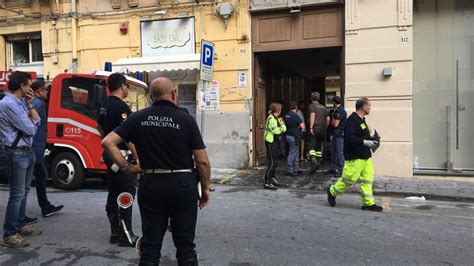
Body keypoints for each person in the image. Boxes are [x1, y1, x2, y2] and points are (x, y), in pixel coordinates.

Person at [101, 77, 211, 265]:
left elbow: (107, 142)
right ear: (174, 94)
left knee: (150, 246)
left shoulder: (138, 117)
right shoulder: (185, 119)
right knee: (186, 247)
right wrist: (206, 189)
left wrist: (127, 168)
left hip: (151, 183)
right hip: (182, 185)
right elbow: (202, 162)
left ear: (151, 96)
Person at [0, 71, 42, 248]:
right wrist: (31, 120)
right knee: (17, 194)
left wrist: (30, 104)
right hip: (16, 152)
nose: (30, 88)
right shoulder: (9, 104)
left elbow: (37, 122)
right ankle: (9, 234)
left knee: (23, 191)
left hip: (26, 150)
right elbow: (31, 129)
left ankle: (19, 225)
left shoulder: (21, 102)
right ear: (22, 86)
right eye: (29, 85)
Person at [97, 73, 139, 247]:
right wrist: (137, 155)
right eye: (127, 85)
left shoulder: (105, 104)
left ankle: (115, 232)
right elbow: (128, 137)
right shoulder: (121, 108)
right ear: (122, 86)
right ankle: (126, 236)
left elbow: (99, 126)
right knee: (127, 192)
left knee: (114, 191)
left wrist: (108, 143)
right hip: (121, 154)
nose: (127, 88)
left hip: (109, 154)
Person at [327, 97, 383, 212]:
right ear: (363, 107)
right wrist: (365, 142)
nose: (370, 108)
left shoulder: (362, 120)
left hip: (365, 156)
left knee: (368, 179)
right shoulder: (352, 120)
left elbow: (361, 136)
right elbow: (349, 138)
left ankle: (368, 203)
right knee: (349, 179)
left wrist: (372, 139)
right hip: (355, 156)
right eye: (369, 105)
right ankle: (332, 191)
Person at [29, 79, 64, 217]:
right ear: (38, 91)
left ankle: (45, 206)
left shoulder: (37, 103)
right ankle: (43, 207)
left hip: (35, 146)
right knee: (28, 183)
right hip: (34, 147)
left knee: (40, 176)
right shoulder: (38, 104)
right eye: (45, 89)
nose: (48, 92)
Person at [263, 102, 286, 190]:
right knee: (272, 162)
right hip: (270, 141)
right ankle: (267, 181)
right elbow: (276, 131)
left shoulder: (278, 118)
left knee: (275, 161)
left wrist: (281, 128)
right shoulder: (271, 118)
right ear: (277, 110)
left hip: (276, 142)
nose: (281, 110)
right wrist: (281, 128)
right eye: (280, 109)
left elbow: (284, 128)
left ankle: (272, 178)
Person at [307, 91, 329, 174]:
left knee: (310, 146)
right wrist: (325, 127)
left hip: (315, 128)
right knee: (318, 147)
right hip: (322, 129)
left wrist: (311, 127)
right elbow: (328, 119)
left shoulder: (312, 106)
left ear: (311, 98)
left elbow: (312, 115)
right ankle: (318, 163)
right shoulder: (324, 107)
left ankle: (314, 162)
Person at [326, 96, 347, 177]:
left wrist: (332, 119)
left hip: (339, 135)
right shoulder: (339, 110)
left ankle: (341, 170)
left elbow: (335, 124)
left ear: (334, 102)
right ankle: (332, 168)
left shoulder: (339, 111)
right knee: (333, 151)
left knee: (339, 153)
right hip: (336, 134)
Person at [284, 101, 305, 176]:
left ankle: (296, 168)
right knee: (293, 153)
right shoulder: (295, 115)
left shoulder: (287, 115)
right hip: (294, 136)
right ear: (296, 107)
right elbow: (302, 126)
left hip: (288, 135)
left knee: (296, 152)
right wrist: (298, 127)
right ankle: (290, 169)